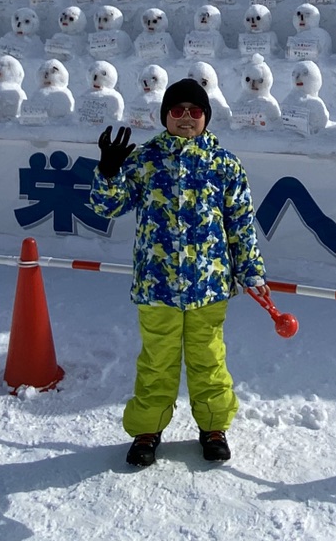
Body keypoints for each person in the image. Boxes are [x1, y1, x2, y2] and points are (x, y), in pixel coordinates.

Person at [91, 77, 268, 468]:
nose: (186, 118)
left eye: (195, 111)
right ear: (165, 116)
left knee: (209, 359)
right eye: (177, 110)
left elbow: (240, 222)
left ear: (206, 117)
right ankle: (147, 431)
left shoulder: (225, 164)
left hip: (209, 285)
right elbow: (108, 207)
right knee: (157, 361)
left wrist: (251, 271)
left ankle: (213, 427)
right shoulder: (145, 159)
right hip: (158, 285)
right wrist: (108, 173)